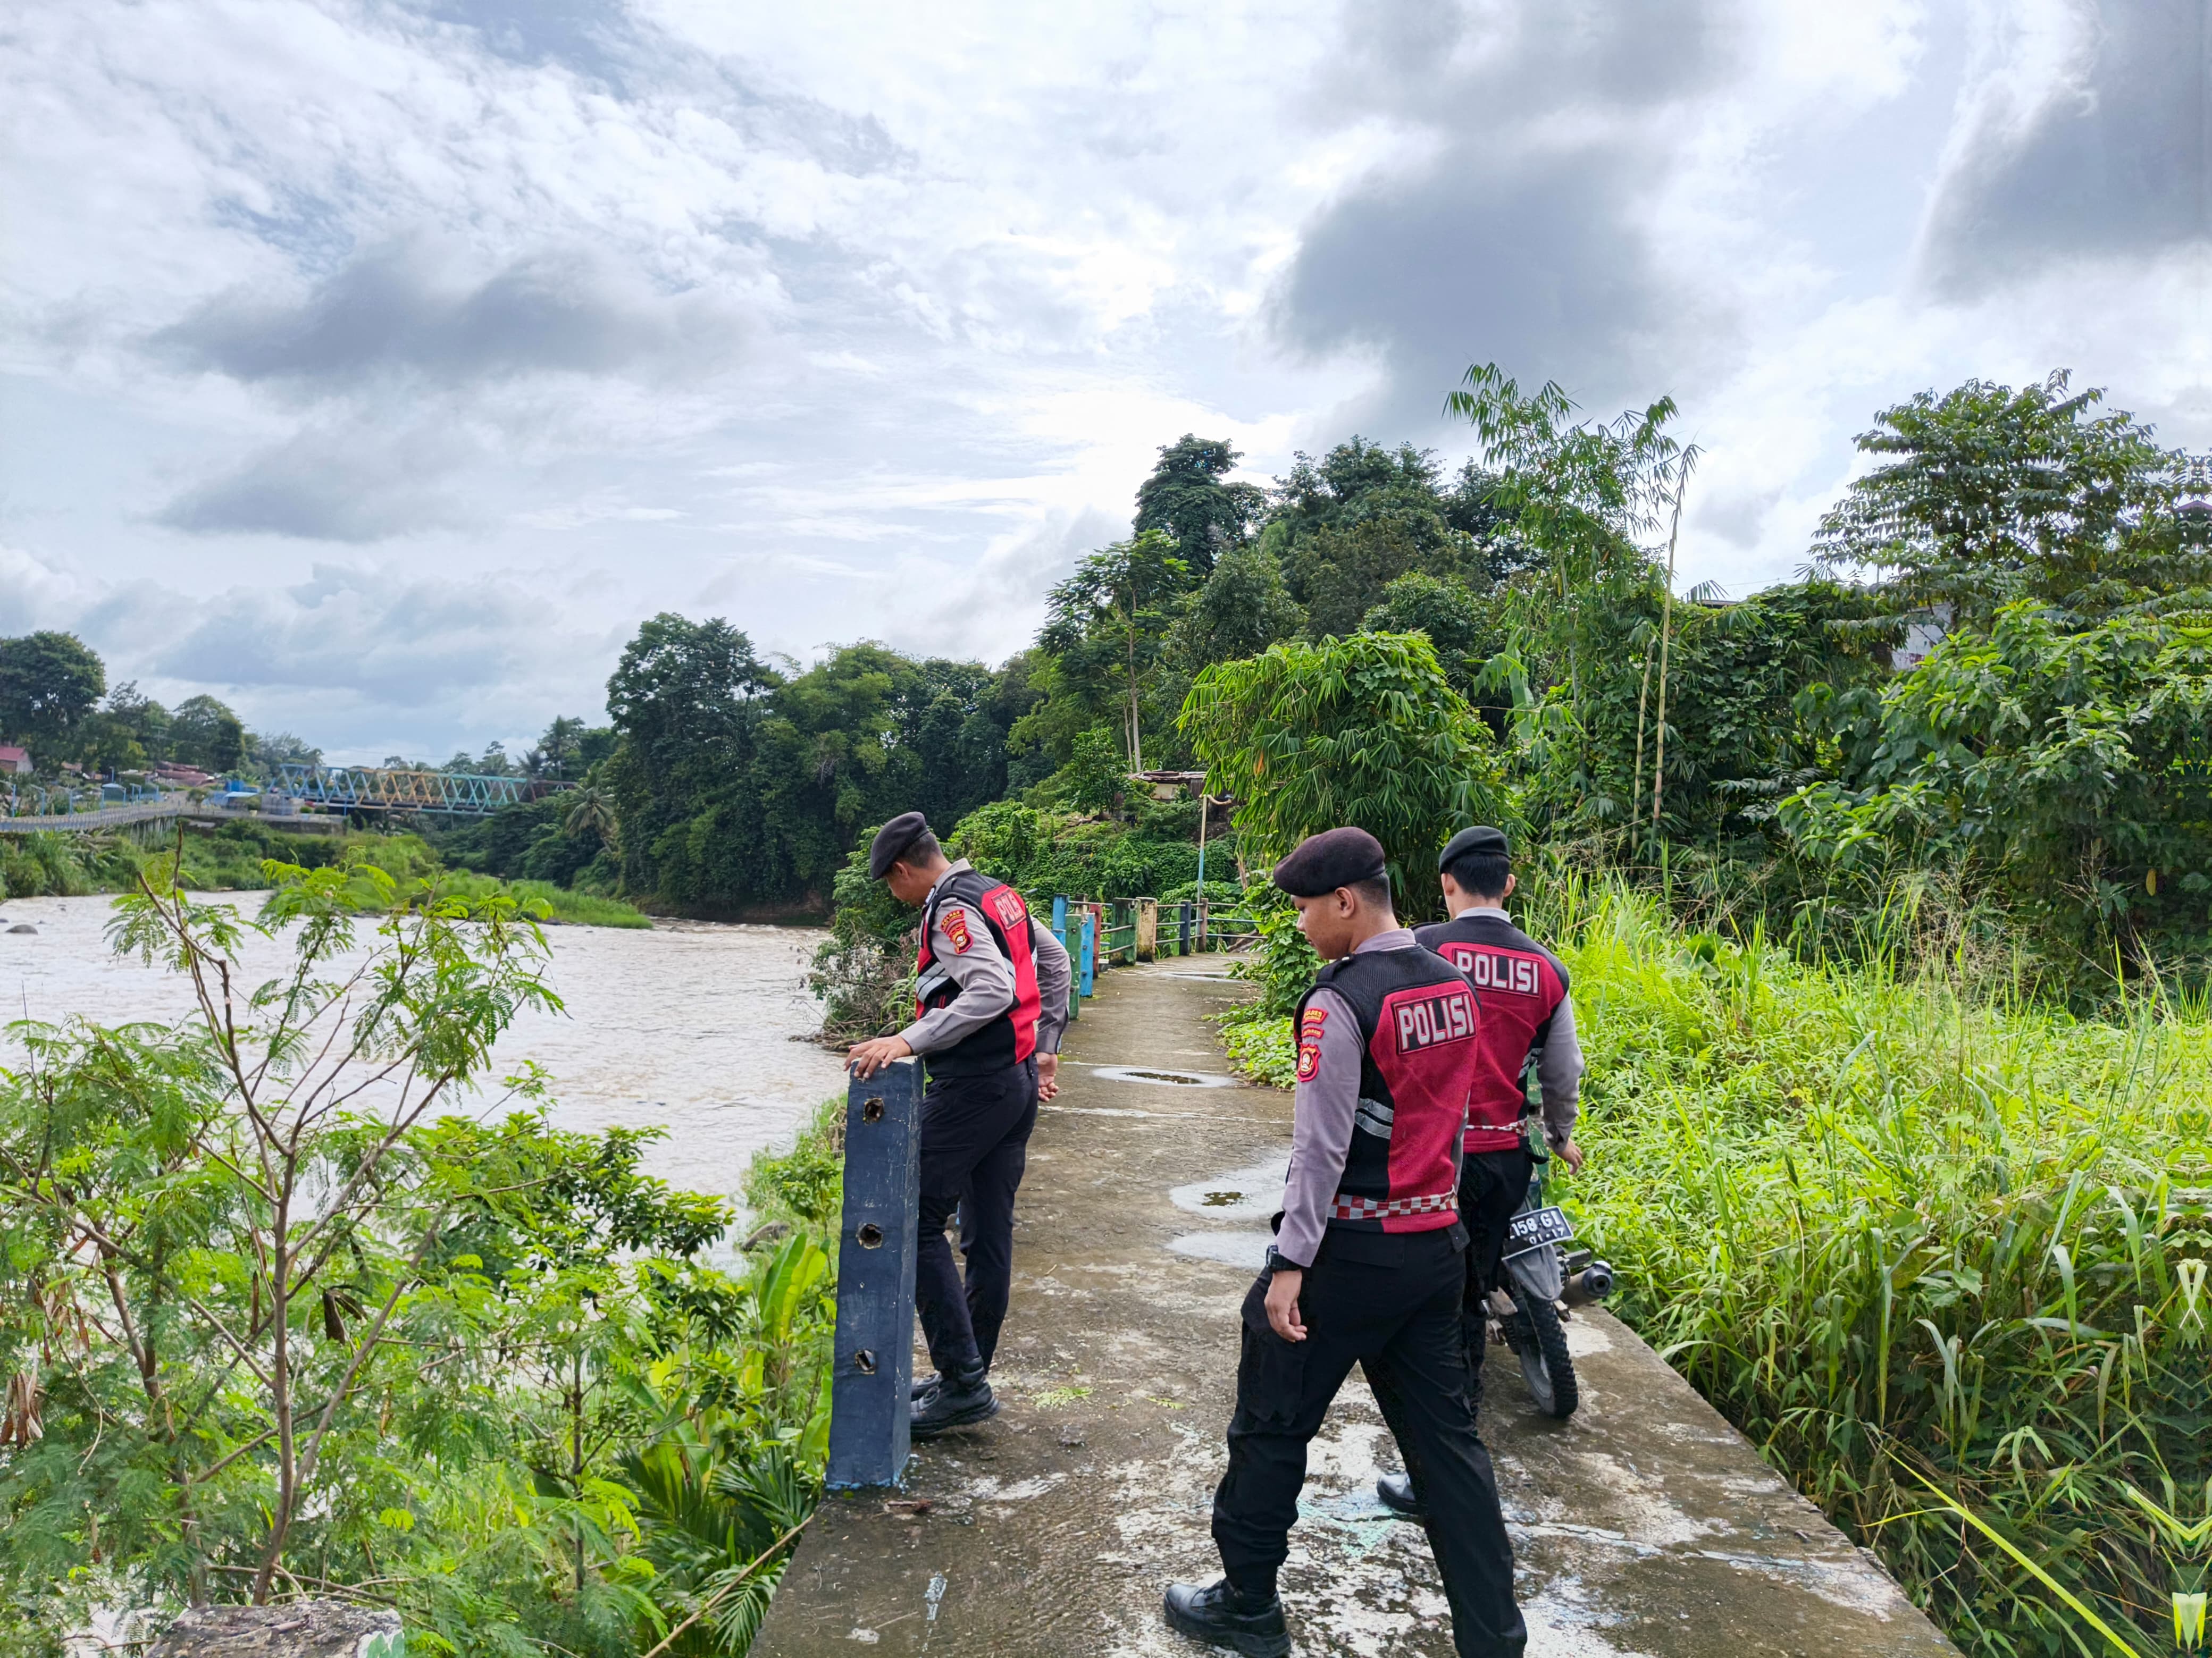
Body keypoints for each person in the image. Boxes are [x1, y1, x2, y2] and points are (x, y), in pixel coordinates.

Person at [1164, 828, 1527, 1658]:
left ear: (1345, 902)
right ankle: (1496, 1638)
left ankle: (1247, 1603)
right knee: (1451, 1451)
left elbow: (1321, 1147)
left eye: (1302, 909)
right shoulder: (1454, 986)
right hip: (1436, 1248)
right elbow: (1456, 1120)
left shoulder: (1340, 1001)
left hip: (1348, 1257)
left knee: (1269, 1422)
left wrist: (1290, 1263)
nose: (1299, 924)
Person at [1376, 823, 1582, 1522]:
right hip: (1504, 1160)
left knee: (1444, 1312)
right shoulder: (1547, 970)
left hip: (1435, 1156)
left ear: (1446, 883)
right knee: (1472, 1285)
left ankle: (1442, 1472)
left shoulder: (1423, 947)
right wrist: (1562, 1134)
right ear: (1511, 885)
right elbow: (1563, 1071)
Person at [845, 812, 1072, 1437]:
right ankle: (964, 1375)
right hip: (1017, 1081)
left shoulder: (949, 910)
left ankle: (964, 1382)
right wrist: (1046, 1044)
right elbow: (1052, 966)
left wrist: (906, 1040)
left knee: (911, 1217)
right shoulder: (999, 892)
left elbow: (992, 989)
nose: (895, 896)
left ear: (901, 869)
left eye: (889, 885)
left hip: (974, 1086)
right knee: (987, 1234)